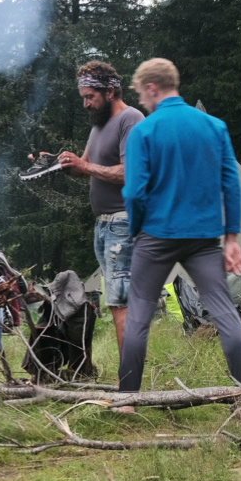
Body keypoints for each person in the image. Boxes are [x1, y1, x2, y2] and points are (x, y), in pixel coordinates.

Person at [117, 58, 241, 410]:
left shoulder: (144, 132)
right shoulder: (214, 126)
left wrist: (137, 231)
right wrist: (232, 238)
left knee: (140, 315)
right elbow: (230, 184)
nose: (141, 103)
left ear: (152, 88)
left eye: (141, 95)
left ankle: (127, 401)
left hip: (156, 236)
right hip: (203, 239)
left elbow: (134, 192)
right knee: (225, 312)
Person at [55, 61, 145, 358]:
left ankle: (129, 383)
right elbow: (86, 167)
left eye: (90, 96)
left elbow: (130, 172)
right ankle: (128, 380)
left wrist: (85, 166)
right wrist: (63, 164)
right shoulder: (98, 124)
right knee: (116, 301)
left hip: (124, 220)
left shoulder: (131, 119)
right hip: (103, 224)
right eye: (83, 97)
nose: (86, 103)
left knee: (122, 303)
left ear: (110, 91)